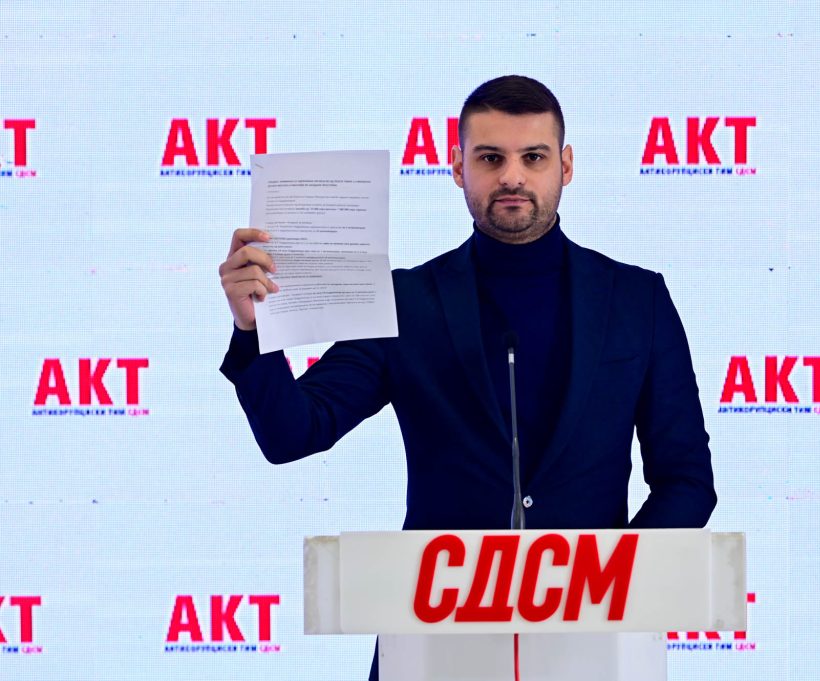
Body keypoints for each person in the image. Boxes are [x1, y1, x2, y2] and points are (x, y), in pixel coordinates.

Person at [219, 75, 715, 678]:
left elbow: (687, 480)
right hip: (432, 645)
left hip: (591, 645)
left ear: (566, 165)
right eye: (490, 158)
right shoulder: (404, 301)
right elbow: (293, 432)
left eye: (533, 157)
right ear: (458, 168)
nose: (513, 177)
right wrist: (253, 330)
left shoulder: (637, 299)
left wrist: (607, 587)